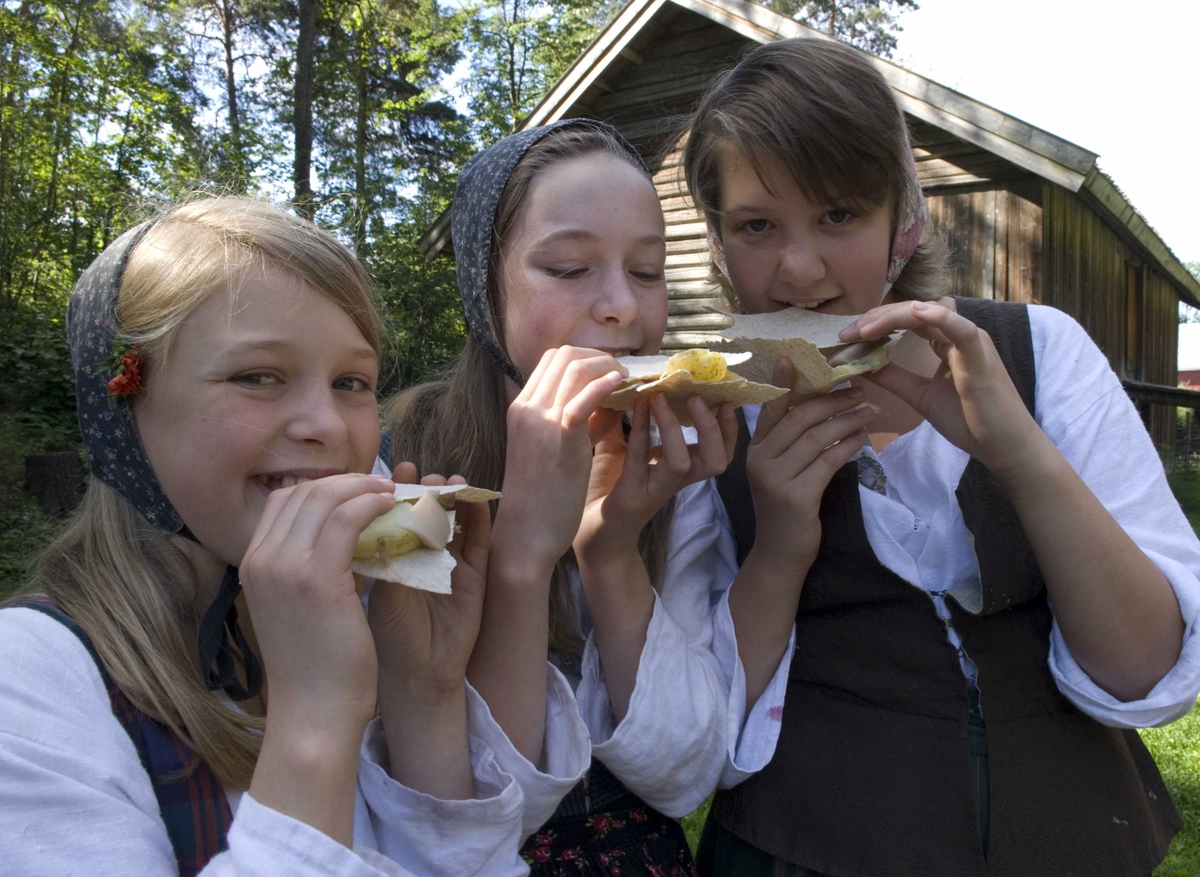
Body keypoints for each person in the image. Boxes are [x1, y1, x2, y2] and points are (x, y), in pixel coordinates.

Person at [682, 37, 1200, 877]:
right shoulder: (709, 413)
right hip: (797, 849)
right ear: (717, 239)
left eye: (839, 214)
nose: (798, 267)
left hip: (1074, 842)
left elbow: (1143, 674)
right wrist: (780, 543)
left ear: (903, 221)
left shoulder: (1041, 352)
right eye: (756, 225)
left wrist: (1022, 457)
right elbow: (694, 729)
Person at [0, 197, 548, 876]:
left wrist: (423, 691)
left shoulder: (357, 619)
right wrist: (316, 718)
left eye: (352, 381)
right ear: (122, 408)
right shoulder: (27, 683)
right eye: (257, 376)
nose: (326, 423)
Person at [385, 119, 794, 875]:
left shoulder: (669, 471)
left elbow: (684, 773)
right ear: (484, 289)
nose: (621, 308)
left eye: (647, 271)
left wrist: (610, 554)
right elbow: (476, 813)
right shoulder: (406, 467)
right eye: (570, 268)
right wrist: (526, 551)